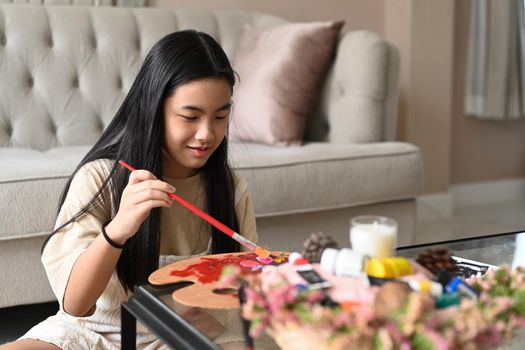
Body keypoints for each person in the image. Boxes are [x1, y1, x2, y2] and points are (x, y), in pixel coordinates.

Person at [1, 30, 257, 350]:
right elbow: (76, 305)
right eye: (190, 116)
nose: (207, 133)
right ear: (154, 109)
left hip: (178, 337)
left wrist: (220, 323)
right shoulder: (100, 178)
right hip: (93, 334)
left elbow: (247, 292)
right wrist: (118, 229)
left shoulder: (231, 190)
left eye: (221, 116)